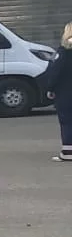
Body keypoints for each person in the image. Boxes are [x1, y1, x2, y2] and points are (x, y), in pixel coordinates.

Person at [44, 24, 72, 161]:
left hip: (66, 93)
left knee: (67, 122)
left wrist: (50, 88)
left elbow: (55, 72)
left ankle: (67, 153)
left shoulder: (64, 52)